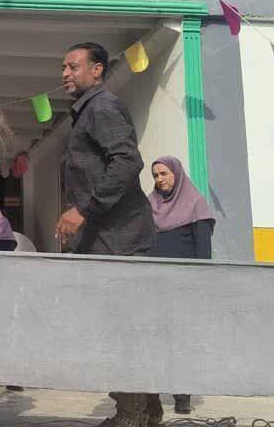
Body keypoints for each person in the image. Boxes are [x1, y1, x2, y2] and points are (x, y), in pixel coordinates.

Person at [55, 42, 159, 427]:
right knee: (119, 325)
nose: (65, 73)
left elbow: (128, 162)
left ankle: (132, 415)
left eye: (73, 66)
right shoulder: (88, 111)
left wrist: (83, 209)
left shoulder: (102, 107)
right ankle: (146, 410)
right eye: (64, 67)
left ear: (97, 69)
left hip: (121, 240)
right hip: (108, 238)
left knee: (121, 327)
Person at [149, 155, 215, 416]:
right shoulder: (150, 205)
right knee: (154, 339)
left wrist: (200, 285)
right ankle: (150, 396)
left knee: (181, 341)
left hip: (184, 286)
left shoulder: (196, 203)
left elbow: (203, 250)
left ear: (176, 174)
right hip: (155, 284)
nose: (159, 179)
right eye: (156, 175)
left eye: (164, 173)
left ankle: (182, 395)